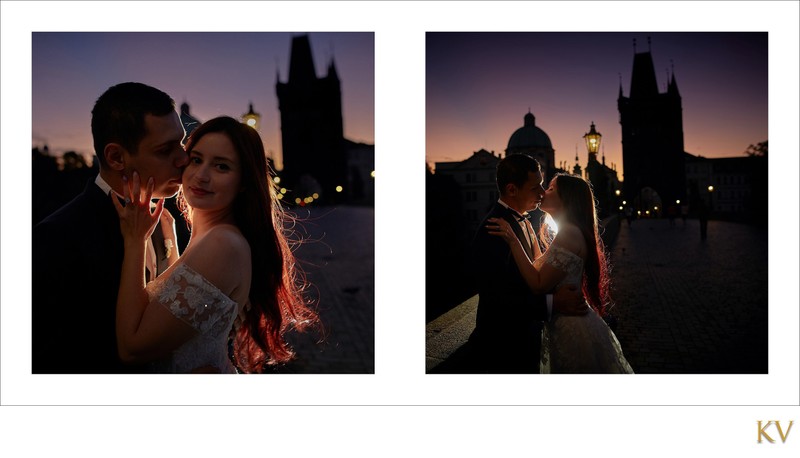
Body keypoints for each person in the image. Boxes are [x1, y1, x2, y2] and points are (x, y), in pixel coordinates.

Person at [112, 116, 319, 373]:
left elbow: (132, 349)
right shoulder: (206, 236)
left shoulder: (223, 244)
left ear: (243, 182)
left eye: (221, 167)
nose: (201, 176)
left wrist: (135, 241)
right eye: (196, 160)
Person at [32, 82, 187, 373]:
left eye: (181, 143)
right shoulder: (56, 239)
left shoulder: (169, 218)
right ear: (116, 157)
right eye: (166, 150)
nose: (183, 159)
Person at [487, 172, 634, 373]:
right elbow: (541, 265)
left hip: (572, 328)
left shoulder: (569, 233)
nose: (543, 192)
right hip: (568, 323)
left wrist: (513, 240)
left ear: (567, 198)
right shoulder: (569, 231)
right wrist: (529, 231)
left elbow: (538, 283)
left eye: (550, 188)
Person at [466, 154, 586, 374]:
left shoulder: (526, 222)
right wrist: (552, 304)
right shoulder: (493, 230)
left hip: (527, 341)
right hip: (504, 348)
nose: (541, 194)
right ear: (512, 190)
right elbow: (497, 299)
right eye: (536, 187)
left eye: (544, 186)